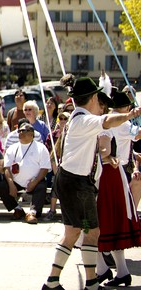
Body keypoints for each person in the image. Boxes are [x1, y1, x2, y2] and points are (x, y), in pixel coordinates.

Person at [42, 76, 141, 290]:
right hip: (77, 186)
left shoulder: (77, 118)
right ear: (94, 97)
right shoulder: (84, 120)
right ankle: (91, 283)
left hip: (70, 182)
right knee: (91, 232)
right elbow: (106, 122)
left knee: (73, 234)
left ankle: (53, 282)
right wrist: (130, 115)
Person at [93, 88, 141, 287]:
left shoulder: (114, 122)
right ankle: (108, 269)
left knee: (99, 222)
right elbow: (137, 136)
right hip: (112, 172)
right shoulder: (122, 123)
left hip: (109, 173)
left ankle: (106, 269)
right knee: (102, 222)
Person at [0, 123, 51, 224]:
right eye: (20, 131)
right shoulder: (12, 148)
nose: (21, 133)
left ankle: (32, 213)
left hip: (34, 180)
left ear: (32, 134)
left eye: (24, 131)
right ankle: (17, 209)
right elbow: (6, 168)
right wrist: (11, 184)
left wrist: (34, 182)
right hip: (16, 181)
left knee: (41, 186)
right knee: (1, 185)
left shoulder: (41, 148)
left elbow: (44, 169)